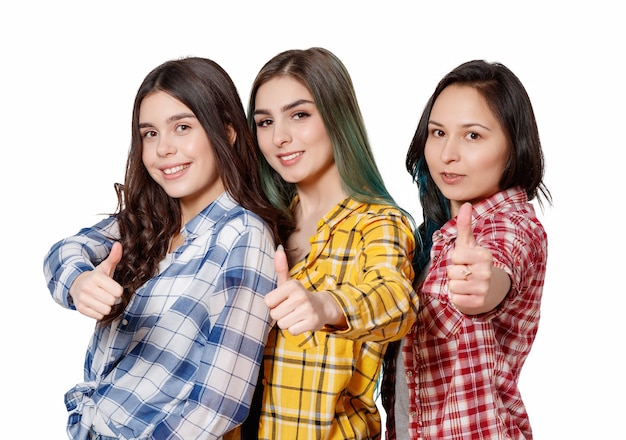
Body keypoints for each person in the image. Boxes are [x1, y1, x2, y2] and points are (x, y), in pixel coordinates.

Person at [43, 57, 287, 440]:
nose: (163, 149)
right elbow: (64, 252)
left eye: (182, 127)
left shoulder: (243, 236)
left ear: (227, 131)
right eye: (150, 134)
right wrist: (78, 284)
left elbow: (218, 405)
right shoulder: (150, 220)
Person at [242, 47, 418, 440]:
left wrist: (326, 304)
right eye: (265, 122)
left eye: (299, 115)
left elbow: (396, 300)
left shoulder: (377, 223)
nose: (279, 137)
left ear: (337, 117)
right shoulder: (260, 225)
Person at [381, 60, 552, 439]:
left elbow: (497, 267)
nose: (447, 154)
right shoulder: (432, 236)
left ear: (514, 144)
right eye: (438, 133)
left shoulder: (511, 224)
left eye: (472, 136)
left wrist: (482, 284)